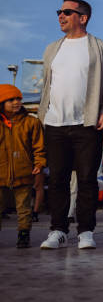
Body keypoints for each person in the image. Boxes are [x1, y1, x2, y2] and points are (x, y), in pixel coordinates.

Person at [39, 0, 103, 250]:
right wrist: (44, 113)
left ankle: (85, 231)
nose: (61, 16)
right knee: (58, 179)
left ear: (82, 18)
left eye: (67, 12)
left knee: (86, 180)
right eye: (59, 11)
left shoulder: (99, 47)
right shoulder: (52, 49)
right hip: (55, 123)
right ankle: (58, 230)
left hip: (87, 124)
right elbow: (47, 84)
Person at [0, 85, 45, 248]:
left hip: (24, 171)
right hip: (1, 172)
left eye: (18, 99)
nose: (16, 102)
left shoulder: (31, 122)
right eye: (11, 100)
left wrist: (39, 163)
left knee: (24, 207)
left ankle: (24, 234)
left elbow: (39, 146)